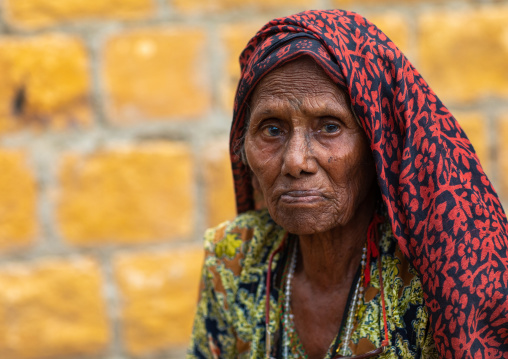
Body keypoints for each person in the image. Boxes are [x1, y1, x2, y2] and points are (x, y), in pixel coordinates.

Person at [188, 9, 508, 359]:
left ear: (379, 144)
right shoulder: (234, 257)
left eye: (329, 127)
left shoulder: (441, 273)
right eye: (272, 129)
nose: (296, 161)